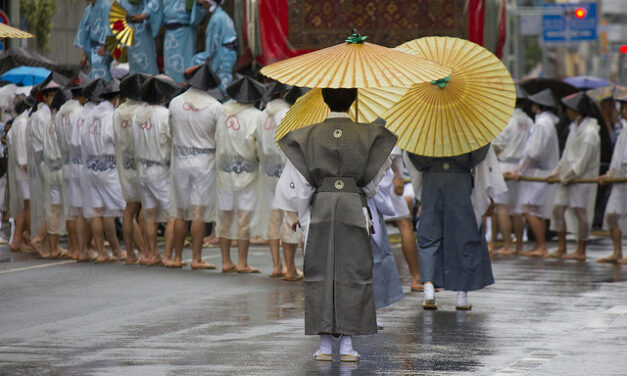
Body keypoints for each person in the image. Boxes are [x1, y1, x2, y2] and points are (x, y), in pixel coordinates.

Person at [278, 88, 396, 361]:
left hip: (320, 206)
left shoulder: (307, 134)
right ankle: (347, 346)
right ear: (354, 100)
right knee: (354, 272)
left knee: (320, 270)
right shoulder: (370, 135)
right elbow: (375, 179)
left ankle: (323, 345)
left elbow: (302, 184)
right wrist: (358, 191)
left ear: (324, 99)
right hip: (353, 205)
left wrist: (300, 212)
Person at [405, 144, 495, 311]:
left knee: (429, 234)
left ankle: (429, 290)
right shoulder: (467, 126)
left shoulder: (425, 126)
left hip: (431, 179)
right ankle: (462, 295)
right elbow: (478, 155)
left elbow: (413, 155)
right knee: (464, 233)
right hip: (459, 179)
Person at [168, 63, 222, 269]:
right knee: (199, 212)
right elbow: (219, 136)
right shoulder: (215, 106)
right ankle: (197, 258)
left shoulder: (175, 103)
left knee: (180, 211)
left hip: (181, 160)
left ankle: (176, 257)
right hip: (205, 162)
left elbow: (171, 130)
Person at [215, 76, 265, 274]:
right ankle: (242, 262)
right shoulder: (255, 116)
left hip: (224, 171)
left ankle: (226, 260)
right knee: (244, 216)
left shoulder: (223, 112)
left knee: (225, 215)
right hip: (248, 171)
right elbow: (258, 144)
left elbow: (216, 137)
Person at [546, 92, 601, 260]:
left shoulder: (590, 132)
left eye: (569, 109)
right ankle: (562, 247)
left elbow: (582, 161)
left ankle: (581, 249)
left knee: (580, 212)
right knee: (557, 210)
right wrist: (557, 172)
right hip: (566, 177)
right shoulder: (574, 127)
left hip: (582, 178)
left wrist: (569, 175)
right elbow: (567, 154)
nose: (567, 113)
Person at [506, 89, 560, 258]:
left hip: (538, 172)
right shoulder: (545, 123)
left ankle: (541, 245)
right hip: (541, 171)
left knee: (529, 209)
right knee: (537, 210)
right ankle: (540, 244)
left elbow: (533, 152)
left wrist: (519, 170)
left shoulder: (542, 124)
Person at [132, 76, 178, 265]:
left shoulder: (138, 115)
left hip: (142, 168)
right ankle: (167, 255)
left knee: (149, 214)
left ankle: (151, 254)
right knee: (172, 215)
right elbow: (172, 138)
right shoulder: (164, 115)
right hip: (160, 169)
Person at [81, 79, 127, 263]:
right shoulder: (111, 117)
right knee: (125, 211)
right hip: (109, 168)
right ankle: (137, 251)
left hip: (92, 168)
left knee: (98, 211)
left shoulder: (90, 116)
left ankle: (103, 251)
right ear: (116, 98)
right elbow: (117, 140)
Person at [256, 81, 291, 277]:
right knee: (287, 216)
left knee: (273, 216)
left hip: (268, 170)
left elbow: (260, 143)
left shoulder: (262, 116)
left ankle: (276, 265)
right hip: (285, 169)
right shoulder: (285, 113)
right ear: (283, 94)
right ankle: (288, 266)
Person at [114, 73, 150, 264]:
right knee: (145, 206)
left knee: (129, 209)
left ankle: (129, 253)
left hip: (124, 162)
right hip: (141, 161)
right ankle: (146, 252)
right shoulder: (143, 111)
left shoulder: (118, 112)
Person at [492, 86, 533, 256]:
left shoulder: (506, 119)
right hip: (520, 167)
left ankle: (508, 244)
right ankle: (520, 246)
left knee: (501, 207)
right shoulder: (529, 121)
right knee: (516, 209)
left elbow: (498, 144)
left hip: (504, 165)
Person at [129, 0, 204, 83]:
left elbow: (200, 8)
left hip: (186, 34)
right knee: (169, 69)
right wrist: (143, 15)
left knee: (186, 66)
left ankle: (185, 89)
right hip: (170, 35)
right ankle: (171, 88)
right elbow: (156, 3)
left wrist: (199, 3)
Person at [387, 146, 422, 291]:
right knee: (405, 224)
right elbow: (391, 154)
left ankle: (416, 277)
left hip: (367, 180)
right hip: (387, 179)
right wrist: (396, 176)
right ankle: (416, 277)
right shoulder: (390, 123)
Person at [598, 96, 627, 264]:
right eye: (622, 108)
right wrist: (610, 174)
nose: (624, 111)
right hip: (619, 178)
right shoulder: (623, 129)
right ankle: (617, 251)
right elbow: (617, 156)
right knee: (611, 215)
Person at [42, 88, 71, 259]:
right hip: (62, 167)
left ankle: (54, 247)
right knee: (68, 208)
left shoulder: (49, 123)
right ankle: (75, 246)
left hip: (50, 169)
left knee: (54, 208)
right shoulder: (62, 122)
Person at [7, 97, 35, 252]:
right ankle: (25, 238)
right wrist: (26, 166)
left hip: (20, 170)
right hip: (24, 170)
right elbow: (22, 149)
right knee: (29, 206)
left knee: (25, 206)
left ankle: (19, 239)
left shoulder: (18, 122)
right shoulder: (23, 122)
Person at [192, 0, 237, 91]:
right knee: (225, 79)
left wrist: (209, 56)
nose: (203, 5)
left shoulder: (216, 18)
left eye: (204, 3)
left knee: (222, 82)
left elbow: (213, 42)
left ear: (209, 3)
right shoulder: (223, 15)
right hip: (228, 53)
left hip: (222, 54)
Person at [75, 0, 113, 81]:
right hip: (91, 49)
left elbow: (109, 27)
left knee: (100, 71)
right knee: (94, 73)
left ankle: (104, 91)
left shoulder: (107, 7)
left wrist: (104, 45)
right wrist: (84, 55)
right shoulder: (88, 10)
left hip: (104, 48)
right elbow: (85, 31)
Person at [120, 0, 159, 75]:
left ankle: (150, 83)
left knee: (147, 64)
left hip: (143, 30)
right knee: (133, 66)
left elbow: (155, 3)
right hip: (130, 31)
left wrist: (144, 15)